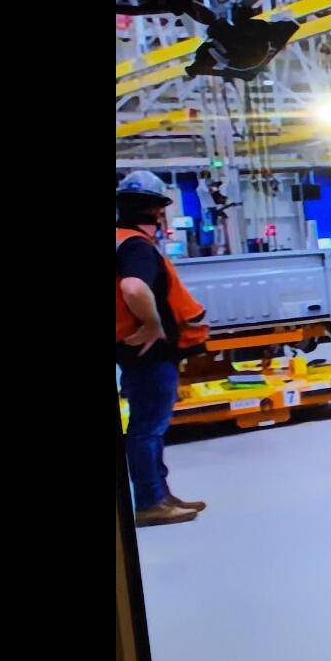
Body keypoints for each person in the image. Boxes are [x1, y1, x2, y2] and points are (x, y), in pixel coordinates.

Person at [115, 170, 211, 527]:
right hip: (149, 353)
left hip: (130, 349)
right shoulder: (137, 246)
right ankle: (150, 500)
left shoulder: (121, 239)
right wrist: (153, 325)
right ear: (157, 212)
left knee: (149, 426)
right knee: (147, 429)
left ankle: (160, 493)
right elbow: (134, 289)